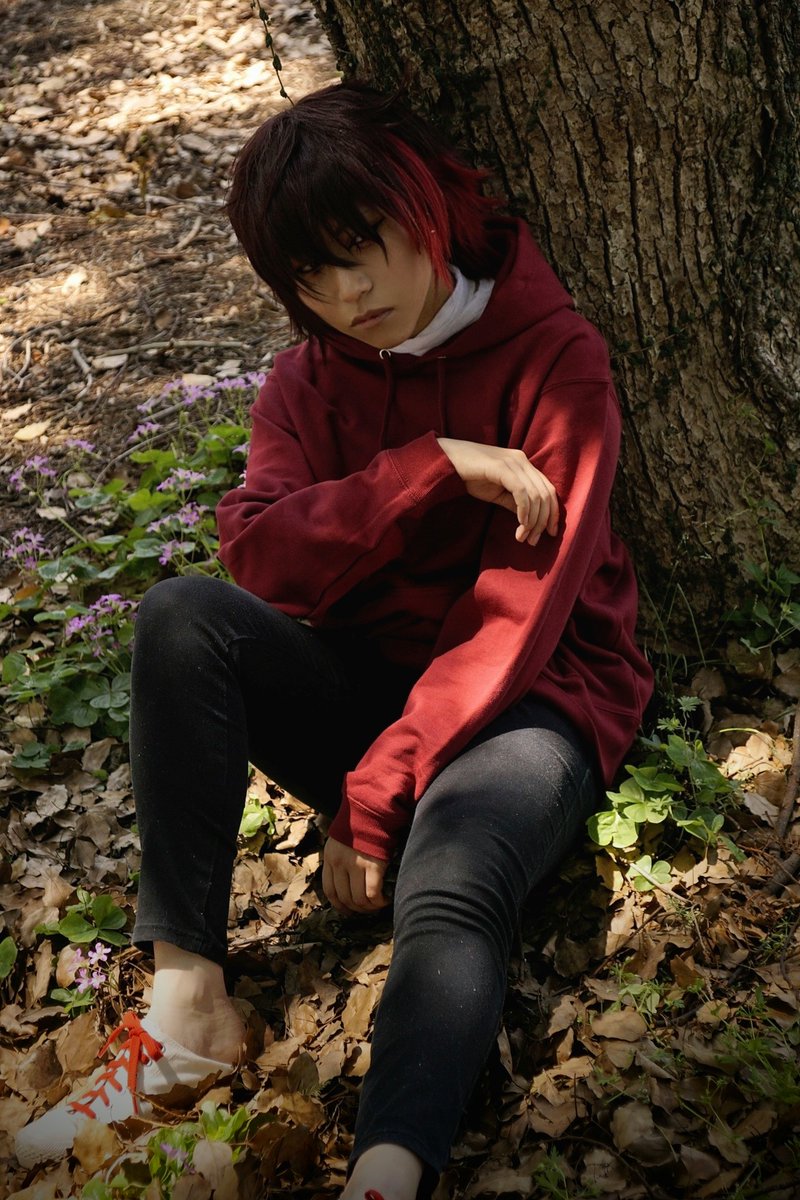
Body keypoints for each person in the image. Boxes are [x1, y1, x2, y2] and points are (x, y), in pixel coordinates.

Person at [16, 82, 653, 1198]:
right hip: (371, 685)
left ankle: (389, 1169)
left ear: (427, 207)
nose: (348, 296)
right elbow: (259, 558)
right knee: (181, 615)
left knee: (449, 873)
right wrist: (427, 469)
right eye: (312, 275)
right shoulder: (307, 379)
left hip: (533, 701)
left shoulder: (556, 359)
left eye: (364, 250)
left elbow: (517, 614)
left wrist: (375, 792)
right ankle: (188, 1010)